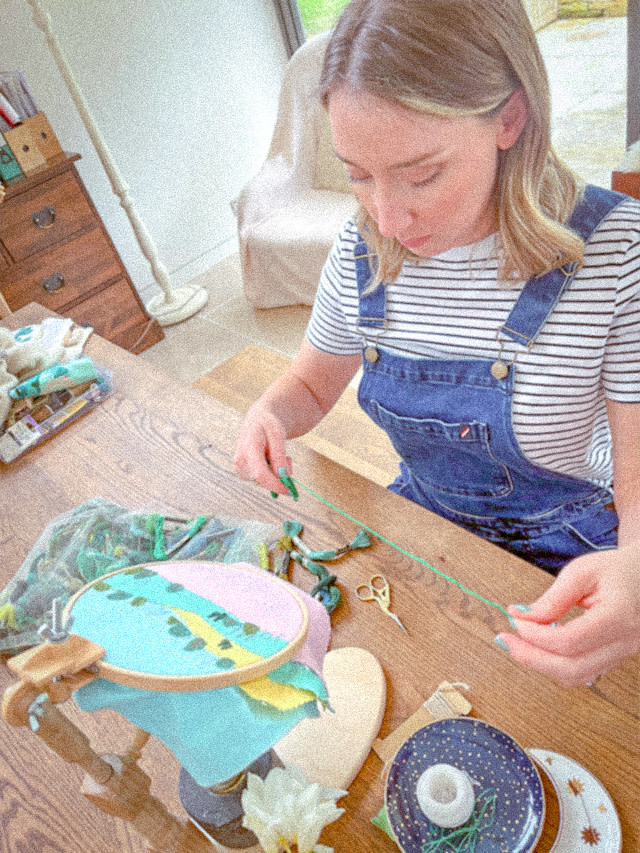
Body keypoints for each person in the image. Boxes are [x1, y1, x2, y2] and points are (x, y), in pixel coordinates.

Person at [234, 0, 639, 687]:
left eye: (421, 174)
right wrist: (269, 412)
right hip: (425, 520)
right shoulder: (362, 249)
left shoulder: (618, 254)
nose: (387, 217)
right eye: (357, 174)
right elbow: (309, 385)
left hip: (577, 543)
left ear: (510, 119)